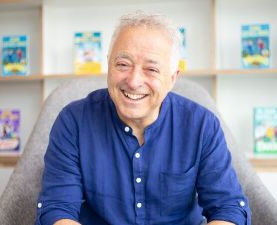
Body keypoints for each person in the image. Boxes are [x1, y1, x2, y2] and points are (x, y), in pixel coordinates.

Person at [36, 11, 251, 225]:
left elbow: (227, 208)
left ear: (172, 78)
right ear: (109, 65)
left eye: (151, 69)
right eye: (123, 64)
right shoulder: (73, 122)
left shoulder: (202, 126)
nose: (133, 81)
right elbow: (57, 208)